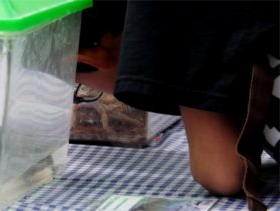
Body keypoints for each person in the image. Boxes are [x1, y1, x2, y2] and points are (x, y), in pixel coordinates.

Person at [75, 1, 279, 210]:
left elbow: (223, 174)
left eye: (78, 87)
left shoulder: (179, 16)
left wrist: (178, 74)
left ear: (91, 60)